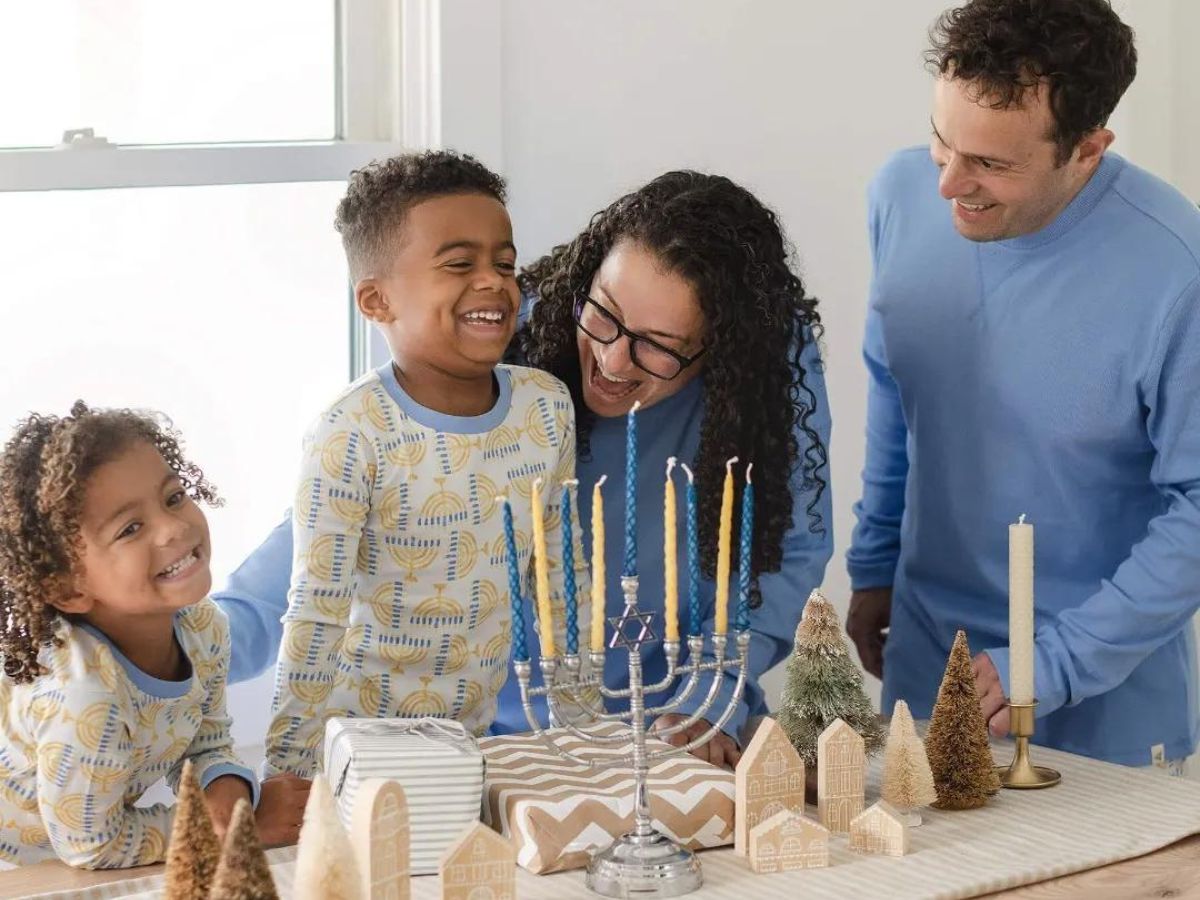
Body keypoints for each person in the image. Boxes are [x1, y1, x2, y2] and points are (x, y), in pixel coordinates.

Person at [221, 169, 833, 769]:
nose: (613, 361)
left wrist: (711, 694)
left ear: (721, 349)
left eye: (660, 345)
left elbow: (790, 550)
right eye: (604, 313)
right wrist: (173, 648)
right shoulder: (504, 333)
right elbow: (328, 537)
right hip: (496, 737)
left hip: (677, 723)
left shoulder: (768, 367)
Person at [846, 0, 1200, 768]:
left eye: (990, 165)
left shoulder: (1178, 272)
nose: (947, 185)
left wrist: (1054, 663)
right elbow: (897, 390)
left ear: (1088, 150)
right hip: (927, 667)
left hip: (1107, 716)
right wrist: (873, 565)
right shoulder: (900, 195)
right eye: (941, 140)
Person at [263, 150, 586, 778]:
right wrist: (286, 771)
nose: (493, 281)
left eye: (505, 262)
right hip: (353, 753)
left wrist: (583, 729)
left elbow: (562, 579)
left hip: (470, 744)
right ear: (377, 301)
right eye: (459, 264)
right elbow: (316, 609)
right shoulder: (350, 432)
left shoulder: (544, 408)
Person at [0, 402, 305, 869]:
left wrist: (231, 790)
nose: (174, 528)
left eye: (173, 497)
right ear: (66, 588)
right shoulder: (84, 698)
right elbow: (92, 845)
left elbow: (206, 735)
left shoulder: (203, 628)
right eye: (131, 528)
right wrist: (240, 831)